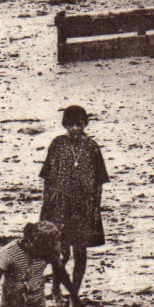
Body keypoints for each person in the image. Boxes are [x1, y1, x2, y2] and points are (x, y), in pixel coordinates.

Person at [40, 105, 110, 297]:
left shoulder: (92, 148)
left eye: (78, 125)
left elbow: (100, 180)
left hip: (83, 207)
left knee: (80, 252)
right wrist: (47, 204)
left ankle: (75, 292)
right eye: (70, 125)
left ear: (84, 125)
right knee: (61, 253)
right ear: (65, 125)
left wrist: (96, 206)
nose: (74, 129)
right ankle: (55, 288)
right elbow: (47, 177)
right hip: (60, 205)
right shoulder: (57, 145)